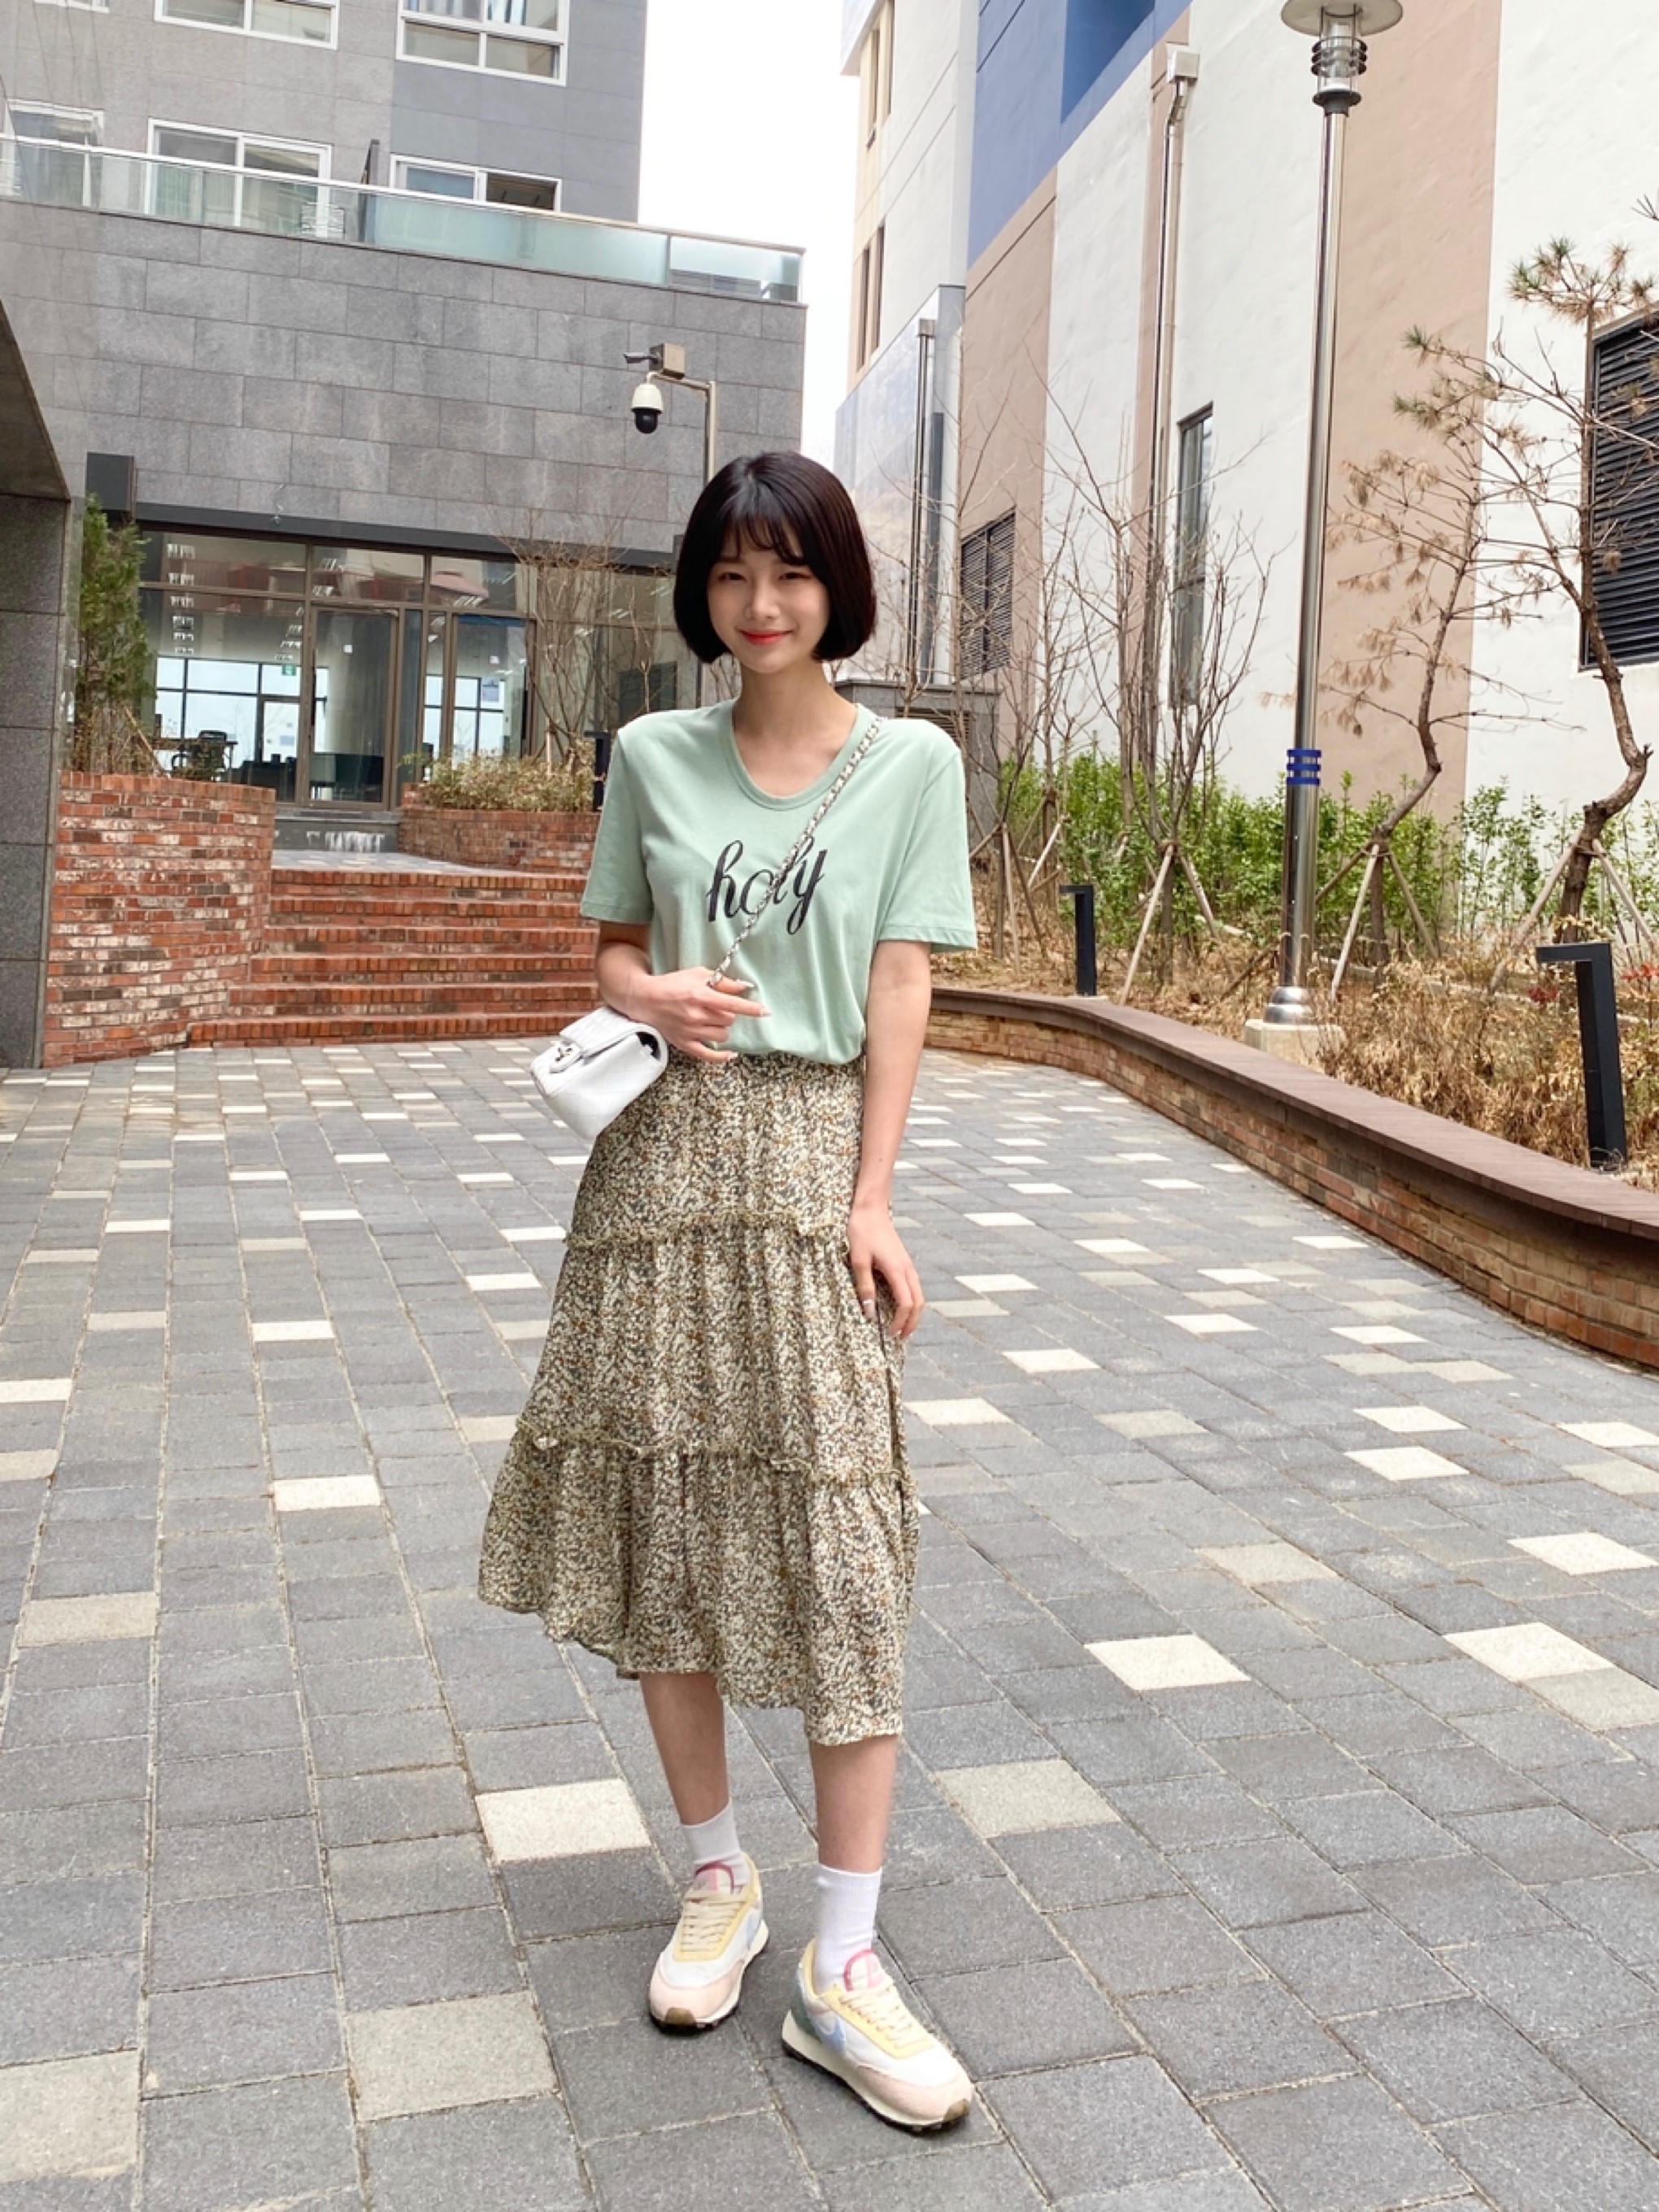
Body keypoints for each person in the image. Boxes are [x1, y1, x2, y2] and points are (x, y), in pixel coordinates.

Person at [480, 451, 978, 2131]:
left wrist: (875, 1198)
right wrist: (655, 992)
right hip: (660, 1176)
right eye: (733, 575)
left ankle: (847, 1958)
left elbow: (900, 980)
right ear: (703, 589)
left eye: (793, 573)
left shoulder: (911, 764)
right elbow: (609, 950)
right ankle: (716, 1877)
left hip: (811, 1163)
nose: (763, 606)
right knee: (667, 1522)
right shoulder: (652, 754)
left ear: (840, 586)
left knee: (845, 1544)